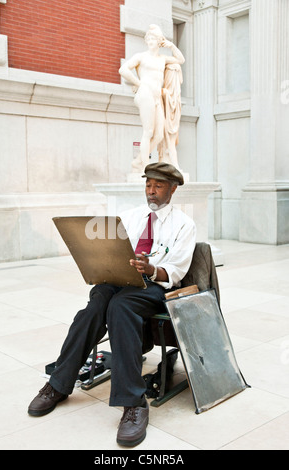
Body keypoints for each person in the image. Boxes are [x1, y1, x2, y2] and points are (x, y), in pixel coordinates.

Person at [28, 162, 196, 448]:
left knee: (121, 306)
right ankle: (58, 384)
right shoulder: (129, 218)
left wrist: (152, 268)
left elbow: (175, 273)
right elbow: (109, 250)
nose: (151, 191)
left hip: (154, 287)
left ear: (173, 189)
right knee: (95, 307)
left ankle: (134, 404)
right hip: (118, 280)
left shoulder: (184, 224)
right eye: (148, 185)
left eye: (158, 186)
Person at [119, 25, 185, 172]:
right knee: (148, 132)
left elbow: (180, 59)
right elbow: (122, 70)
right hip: (145, 93)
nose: (149, 40)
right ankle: (144, 167)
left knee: (159, 135)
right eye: (148, 38)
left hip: (156, 97)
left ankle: (137, 161)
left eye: (153, 38)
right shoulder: (140, 56)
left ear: (159, 41)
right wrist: (139, 83)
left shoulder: (163, 59)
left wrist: (172, 45)